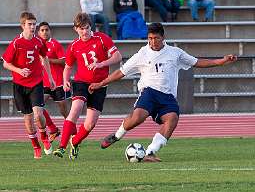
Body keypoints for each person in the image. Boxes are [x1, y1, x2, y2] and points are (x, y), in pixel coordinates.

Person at [89, 22, 237, 162]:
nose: (153, 42)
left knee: (172, 118)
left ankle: (151, 152)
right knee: (137, 118)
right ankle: (117, 135)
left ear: (163, 38)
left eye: (156, 38)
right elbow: (121, 72)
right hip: (149, 92)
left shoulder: (175, 53)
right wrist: (100, 84)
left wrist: (221, 61)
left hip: (167, 96)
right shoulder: (142, 53)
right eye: (150, 38)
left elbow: (197, 62)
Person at [52, 13, 121, 160]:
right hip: (81, 82)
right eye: (81, 29)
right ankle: (61, 147)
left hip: (99, 85)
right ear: (75, 29)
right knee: (75, 109)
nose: (85, 32)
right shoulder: (73, 46)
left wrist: (101, 63)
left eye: (87, 28)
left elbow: (118, 57)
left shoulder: (102, 38)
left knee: (90, 124)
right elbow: (68, 67)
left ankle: (75, 142)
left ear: (91, 27)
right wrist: (65, 80)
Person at [2, 12, 56, 159]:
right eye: (30, 24)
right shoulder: (16, 43)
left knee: (38, 115)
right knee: (28, 118)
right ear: (23, 26)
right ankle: (35, 145)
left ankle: (44, 136)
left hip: (36, 82)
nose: (33, 27)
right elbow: (6, 63)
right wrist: (19, 70)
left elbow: (44, 57)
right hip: (19, 85)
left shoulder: (38, 41)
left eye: (34, 24)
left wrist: (50, 78)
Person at [37, 22, 71, 142]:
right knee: (37, 107)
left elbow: (64, 61)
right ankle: (53, 129)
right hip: (43, 82)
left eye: (46, 30)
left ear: (50, 31)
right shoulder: (36, 45)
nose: (44, 32)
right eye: (42, 30)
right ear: (38, 32)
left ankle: (72, 130)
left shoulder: (55, 44)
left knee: (63, 110)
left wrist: (47, 60)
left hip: (58, 82)